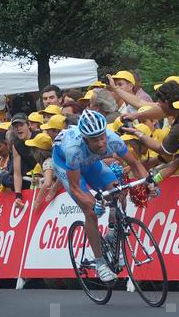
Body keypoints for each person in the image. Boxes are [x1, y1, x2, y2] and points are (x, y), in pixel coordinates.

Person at [52, 110, 157, 282]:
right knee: (91, 211)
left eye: (102, 137)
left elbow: (134, 164)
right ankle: (100, 263)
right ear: (85, 139)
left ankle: (111, 234)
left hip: (91, 162)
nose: (101, 143)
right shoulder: (73, 149)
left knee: (119, 192)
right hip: (66, 164)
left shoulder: (113, 139)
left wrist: (148, 183)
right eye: (95, 140)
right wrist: (93, 203)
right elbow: (76, 187)